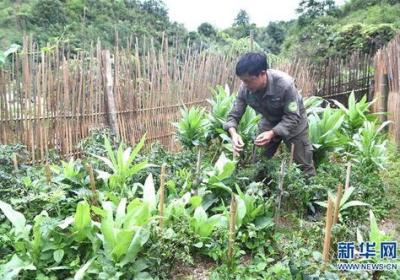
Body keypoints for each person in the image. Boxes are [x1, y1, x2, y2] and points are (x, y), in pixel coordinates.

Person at [224, 52, 316, 177]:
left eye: (248, 80)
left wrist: (273, 133)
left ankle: (312, 193)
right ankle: (260, 192)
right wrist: (234, 134)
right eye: (242, 81)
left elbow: (293, 116)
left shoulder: (285, 85)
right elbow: (234, 115)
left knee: (304, 164)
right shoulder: (245, 89)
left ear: (262, 73)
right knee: (258, 163)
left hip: (294, 123)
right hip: (269, 121)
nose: (245, 84)